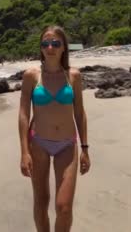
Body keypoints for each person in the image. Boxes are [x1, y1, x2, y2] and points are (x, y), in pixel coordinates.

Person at [18, 25, 90, 232]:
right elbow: (23, 114)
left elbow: (79, 113)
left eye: (56, 43)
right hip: (38, 143)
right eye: (45, 43)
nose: (50, 47)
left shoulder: (73, 76)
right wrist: (24, 152)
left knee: (64, 207)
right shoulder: (31, 76)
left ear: (64, 48)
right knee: (41, 202)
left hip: (67, 145)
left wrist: (85, 149)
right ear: (41, 47)